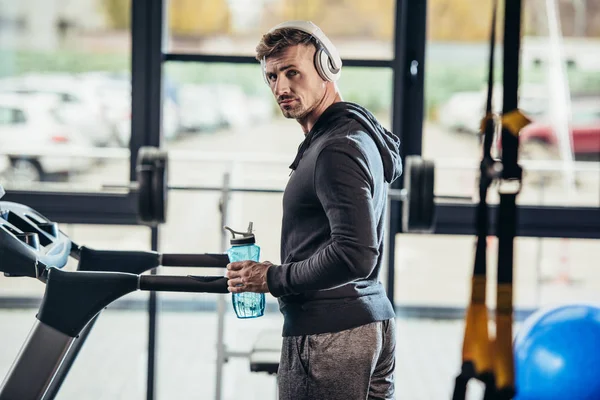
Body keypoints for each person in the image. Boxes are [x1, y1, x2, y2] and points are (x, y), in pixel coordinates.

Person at [225, 20, 402, 400]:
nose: (281, 87)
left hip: (330, 337)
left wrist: (273, 278)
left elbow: (354, 254)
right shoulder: (350, 134)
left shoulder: (336, 149)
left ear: (327, 69)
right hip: (364, 323)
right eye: (272, 76)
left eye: (292, 72)